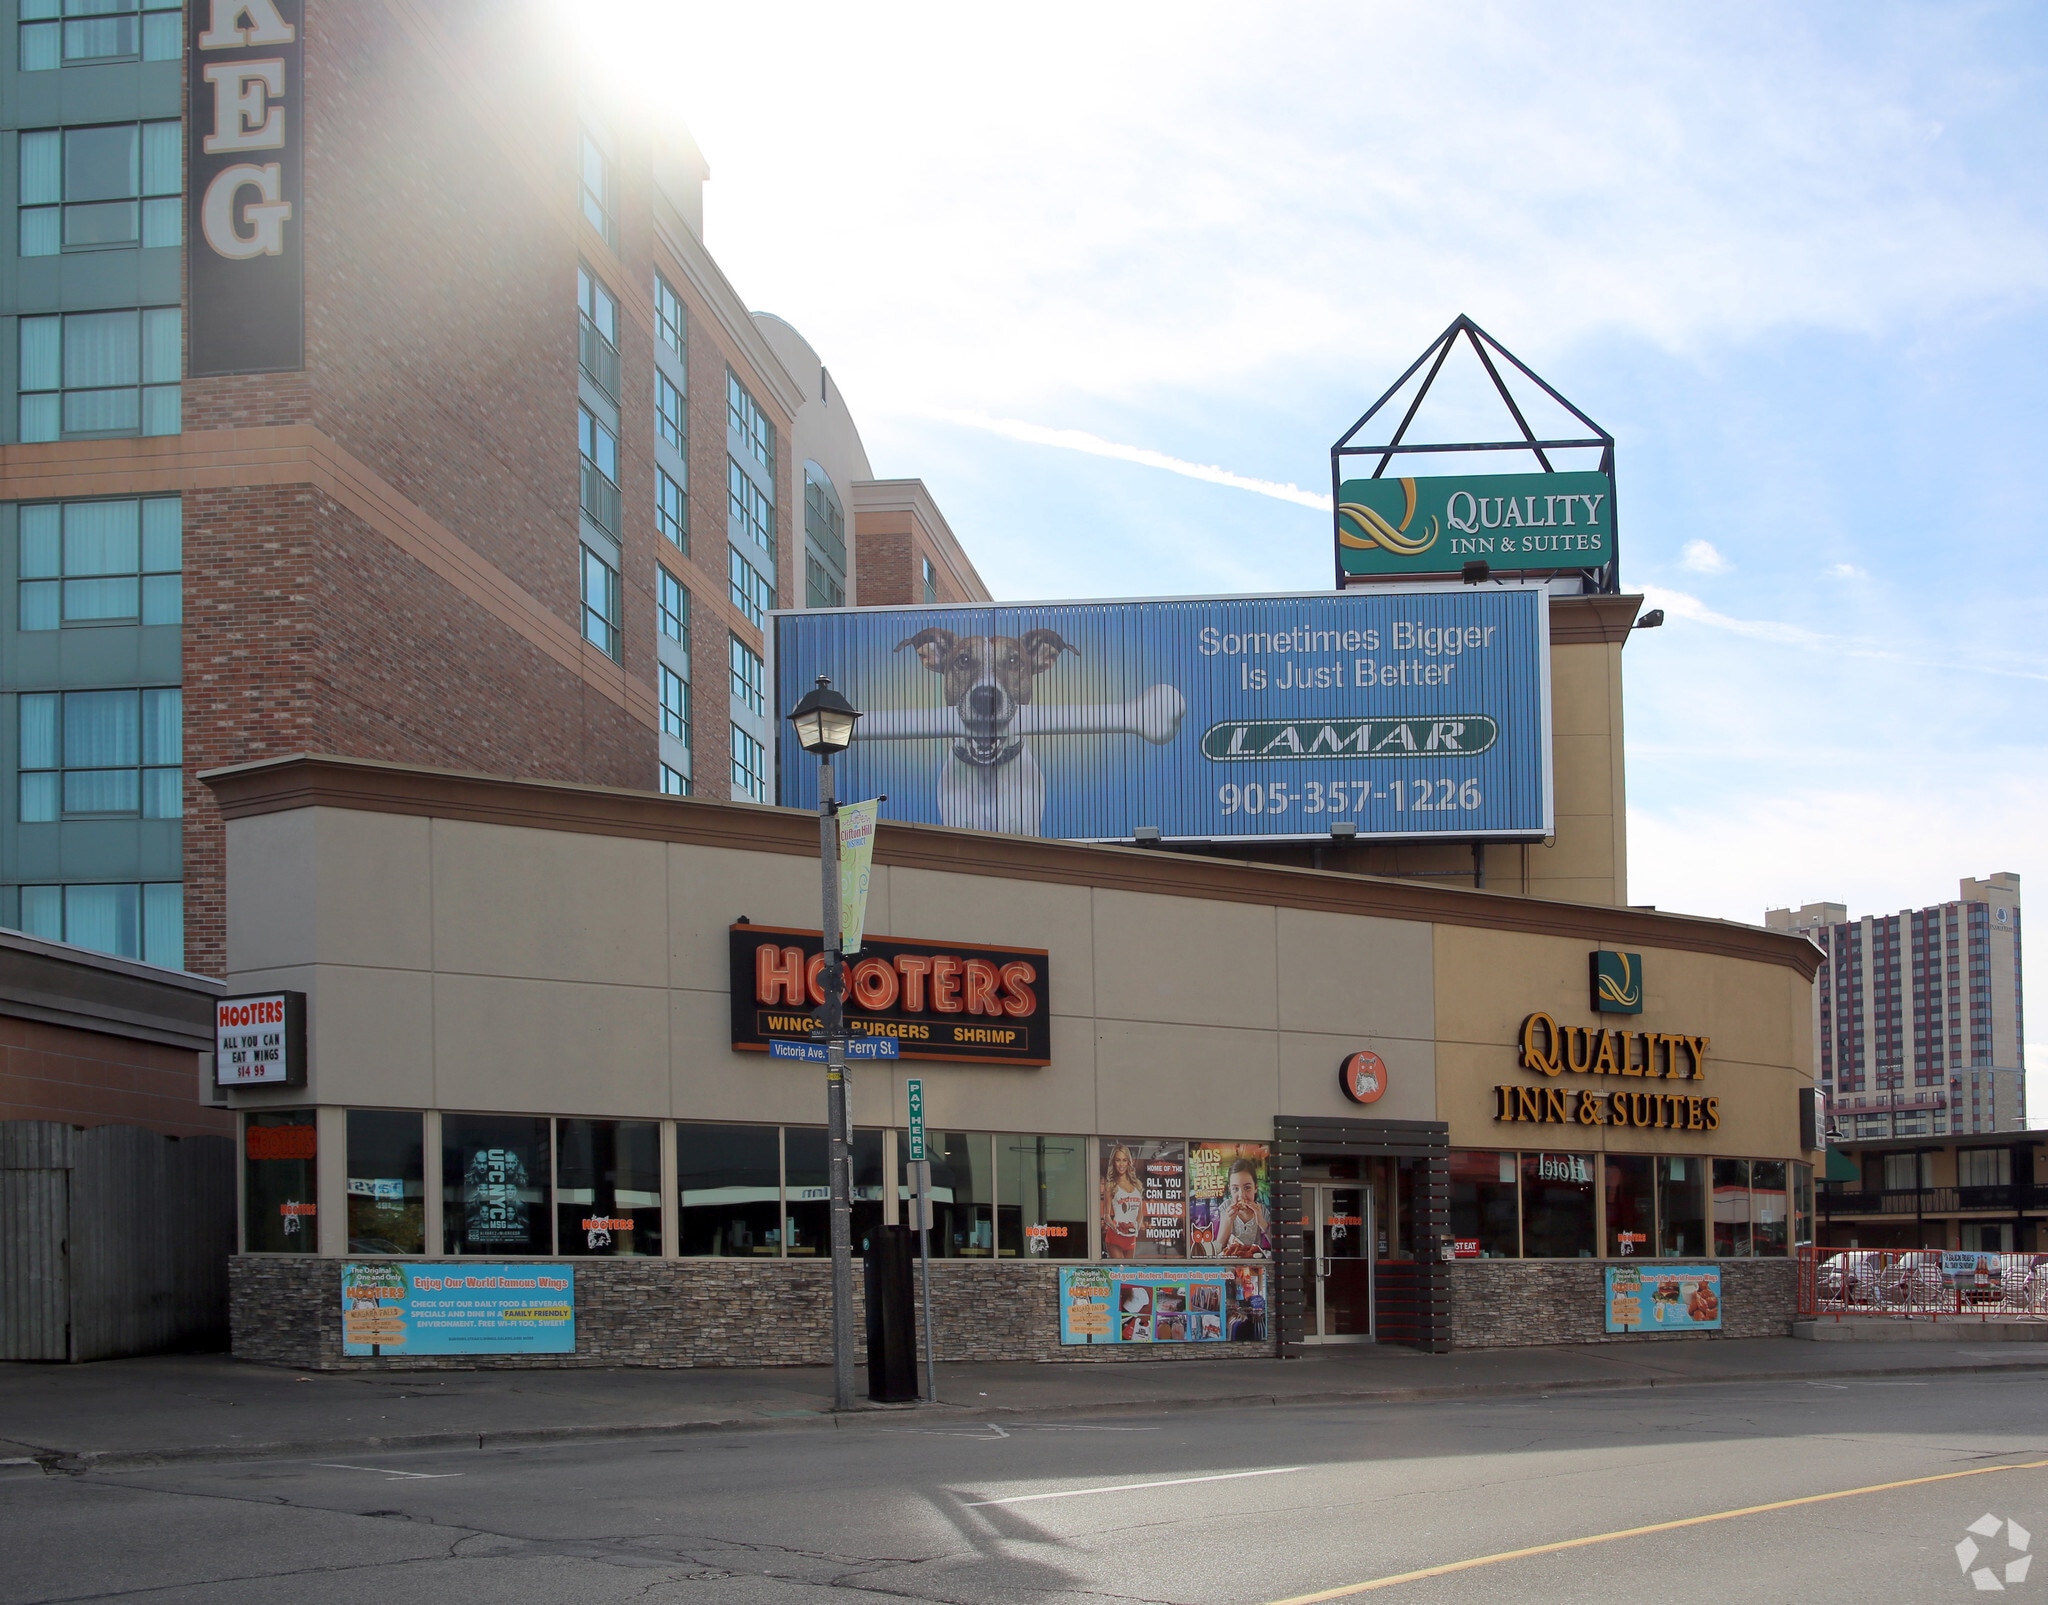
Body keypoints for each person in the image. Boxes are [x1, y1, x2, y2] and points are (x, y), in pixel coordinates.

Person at [1208, 1158, 1270, 1258]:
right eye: (1235, 1189)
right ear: (1230, 1190)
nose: (1241, 1195)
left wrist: (1262, 1223)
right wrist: (1228, 1222)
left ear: (1256, 1188)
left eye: (1247, 1188)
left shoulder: (1262, 1210)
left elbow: (1277, 1246)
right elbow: (1216, 1250)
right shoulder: (1225, 1208)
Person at [1102, 1144, 1142, 1259]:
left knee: (1128, 1273)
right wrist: (1115, 1227)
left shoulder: (1137, 1185)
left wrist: (1136, 1229)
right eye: (1118, 1160)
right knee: (1121, 1270)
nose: (1121, 1164)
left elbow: (1140, 1214)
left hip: (1131, 1237)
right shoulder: (1110, 1186)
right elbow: (1106, 1215)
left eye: (1124, 1160)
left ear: (1129, 1162)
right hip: (1115, 1237)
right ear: (1113, 1163)